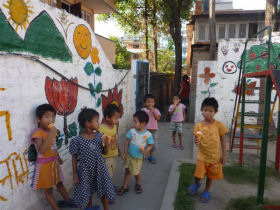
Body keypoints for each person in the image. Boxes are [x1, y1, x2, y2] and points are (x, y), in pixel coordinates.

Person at [69, 108, 114, 210]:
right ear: (88, 123)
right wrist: (75, 173)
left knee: (104, 189)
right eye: (97, 121)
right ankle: (89, 207)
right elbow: (74, 157)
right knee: (87, 190)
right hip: (85, 171)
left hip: (100, 169)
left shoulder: (100, 137)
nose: (99, 123)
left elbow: (104, 152)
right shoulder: (77, 141)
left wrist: (106, 144)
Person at [31, 104, 72, 210]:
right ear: (38, 119)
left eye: (53, 116)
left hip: (54, 163)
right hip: (44, 166)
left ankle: (68, 201)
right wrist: (49, 135)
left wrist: (58, 157)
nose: (51, 119)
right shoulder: (38, 133)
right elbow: (42, 151)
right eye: (47, 117)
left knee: (59, 183)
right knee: (48, 190)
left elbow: (53, 145)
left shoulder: (51, 130)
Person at [188, 97, 228, 203]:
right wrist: (196, 141)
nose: (207, 113)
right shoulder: (198, 126)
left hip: (215, 158)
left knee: (211, 176)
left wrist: (224, 155)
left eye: (211, 111)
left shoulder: (219, 125)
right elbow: (197, 139)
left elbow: (223, 140)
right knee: (198, 174)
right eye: (205, 110)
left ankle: (206, 191)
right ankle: (196, 184)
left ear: (215, 112)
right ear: (202, 111)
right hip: (202, 156)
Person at [117, 111, 154, 196]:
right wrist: (125, 153)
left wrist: (146, 151)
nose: (133, 123)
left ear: (143, 123)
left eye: (135, 122)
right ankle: (125, 187)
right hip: (129, 156)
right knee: (128, 171)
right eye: (133, 121)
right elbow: (126, 142)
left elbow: (150, 145)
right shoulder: (132, 131)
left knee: (136, 172)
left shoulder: (148, 135)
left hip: (138, 157)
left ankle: (137, 184)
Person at [99, 104, 121, 180]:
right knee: (108, 174)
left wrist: (118, 149)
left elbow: (115, 138)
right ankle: (107, 189)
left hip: (113, 154)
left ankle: (107, 186)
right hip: (106, 156)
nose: (117, 120)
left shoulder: (114, 125)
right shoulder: (102, 129)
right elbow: (101, 144)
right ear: (107, 118)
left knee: (113, 170)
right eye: (115, 118)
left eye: (118, 118)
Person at [141, 94, 161, 164]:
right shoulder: (143, 111)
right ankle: (142, 154)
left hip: (153, 131)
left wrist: (153, 111)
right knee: (143, 144)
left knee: (153, 145)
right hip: (144, 131)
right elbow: (140, 120)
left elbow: (157, 118)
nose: (150, 103)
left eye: (152, 102)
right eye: (148, 102)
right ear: (144, 103)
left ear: (154, 103)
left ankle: (151, 156)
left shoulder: (156, 110)